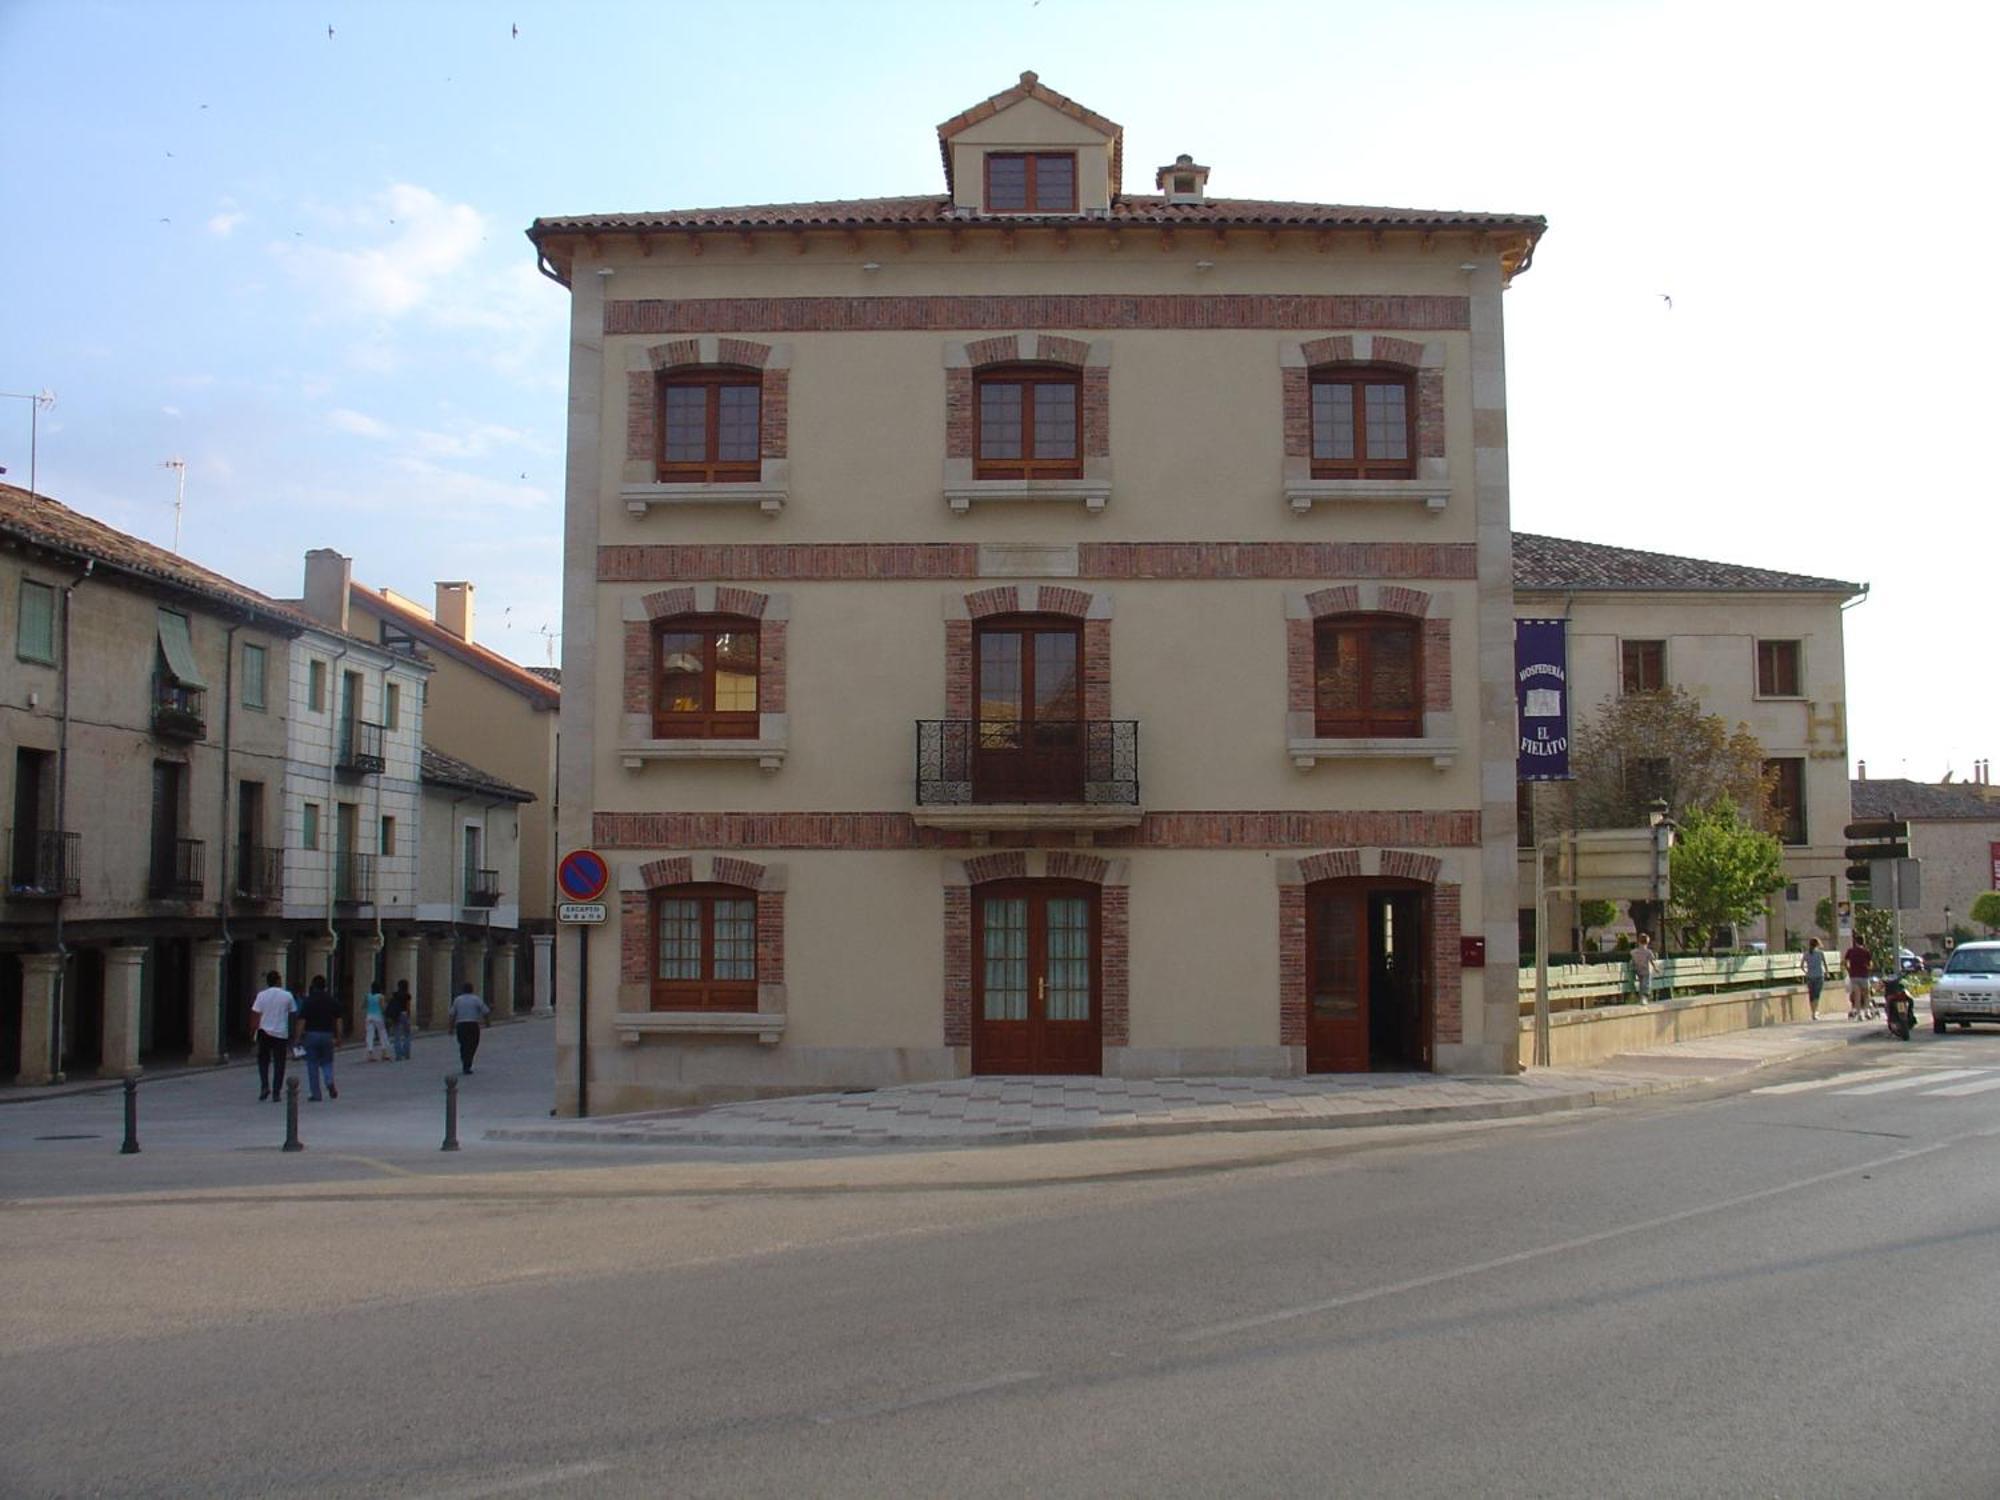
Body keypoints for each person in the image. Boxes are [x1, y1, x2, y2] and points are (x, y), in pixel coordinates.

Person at [250, 970, 296, 1102]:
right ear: (278, 981)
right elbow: (292, 1014)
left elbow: (255, 1014)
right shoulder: (287, 995)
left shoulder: (261, 995)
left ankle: (264, 1085)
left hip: (264, 1032)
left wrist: (253, 1032)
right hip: (281, 1033)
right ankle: (277, 1092)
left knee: (263, 1061)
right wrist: (292, 1035)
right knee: (279, 1063)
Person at [296, 975, 343, 1101]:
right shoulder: (332, 1000)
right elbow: (338, 1020)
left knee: (312, 1065)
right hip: (327, 1035)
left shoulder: (308, 1001)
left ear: (313, 986)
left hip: (311, 1034)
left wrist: (297, 1038)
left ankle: (316, 1094)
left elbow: (302, 1021)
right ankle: (329, 1081)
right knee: (327, 1062)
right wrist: (339, 1037)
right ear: (325, 986)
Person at [448, 981, 491, 1075]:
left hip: (461, 1025)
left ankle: (465, 1061)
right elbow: (486, 1011)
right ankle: (468, 1063)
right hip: (473, 1025)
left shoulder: (457, 1000)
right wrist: (488, 1023)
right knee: (473, 1044)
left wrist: (450, 1028)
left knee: (463, 1044)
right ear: (472, 990)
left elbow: (452, 1015)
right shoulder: (476, 999)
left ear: (462, 990)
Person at [1843, 936, 1874, 1019]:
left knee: (1857, 995)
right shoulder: (1866, 952)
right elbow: (1870, 965)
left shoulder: (1850, 951)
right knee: (1866, 994)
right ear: (1863, 942)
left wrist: (1849, 969)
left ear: (1856, 942)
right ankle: (1867, 1012)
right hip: (1864, 975)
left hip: (1853, 976)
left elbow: (1845, 962)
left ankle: (1859, 1013)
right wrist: (1867, 968)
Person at [362, 980, 392, 1061]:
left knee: (369, 1034)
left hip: (369, 1016)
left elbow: (363, 1006)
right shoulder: (380, 996)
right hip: (378, 1016)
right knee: (382, 1033)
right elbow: (383, 1007)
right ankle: (384, 1052)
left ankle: (370, 1053)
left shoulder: (367, 996)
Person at [386, 979, 413, 1061]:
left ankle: (398, 1055)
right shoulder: (407, 995)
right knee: (407, 1034)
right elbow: (408, 1007)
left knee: (397, 1036)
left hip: (396, 1015)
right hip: (404, 1014)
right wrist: (409, 1016)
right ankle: (406, 1053)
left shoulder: (395, 995)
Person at [1801, 937, 1826, 1020]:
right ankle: (1815, 1012)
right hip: (1819, 976)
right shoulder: (1820, 953)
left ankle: (1813, 1012)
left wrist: (1806, 972)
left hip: (1810, 976)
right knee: (1817, 995)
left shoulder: (1806, 954)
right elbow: (1825, 964)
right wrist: (1827, 972)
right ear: (1818, 944)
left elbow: (1801, 966)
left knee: (1811, 995)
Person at [1630, 933, 1658, 1001]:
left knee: (1641, 983)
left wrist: (1633, 967)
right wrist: (1655, 968)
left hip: (1638, 970)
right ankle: (1644, 996)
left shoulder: (1633, 952)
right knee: (1646, 984)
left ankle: (1642, 997)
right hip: (1646, 971)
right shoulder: (1648, 952)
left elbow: (1632, 961)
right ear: (1647, 942)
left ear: (1638, 941)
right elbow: (1652, 961)